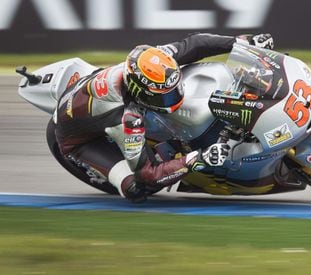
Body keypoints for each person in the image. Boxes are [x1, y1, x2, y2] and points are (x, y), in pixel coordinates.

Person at [54, 33, 274, 203]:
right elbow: (147, 174)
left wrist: (243, 42)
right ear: (141, 93)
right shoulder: (127, 118)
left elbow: (197, 43)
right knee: (136, 189)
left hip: (92, 89)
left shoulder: (153, 61)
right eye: (164, 95)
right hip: (79, 140)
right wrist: (199, 159)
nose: (174, 96)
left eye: (172, 89)